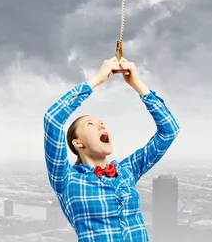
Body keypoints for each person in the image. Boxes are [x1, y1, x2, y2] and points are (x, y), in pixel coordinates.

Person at [43, 55, 180, 241]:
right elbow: (52, 119)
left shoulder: (127, 170)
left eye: (102, 123)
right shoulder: (66, 179)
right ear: (78, 143)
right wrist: (96, 80)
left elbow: (169, 131)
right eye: (91, 124)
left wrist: (137, 84)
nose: (102, 126)